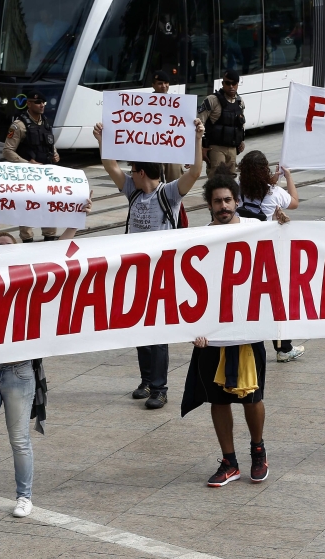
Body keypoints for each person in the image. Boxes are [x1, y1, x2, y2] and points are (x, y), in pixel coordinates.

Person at [0, 215, 87, 525]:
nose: (3, 254)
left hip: (19, 373)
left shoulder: (29, 280)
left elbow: (61, 252)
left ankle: (24, 496)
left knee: (19, 440)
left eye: (9, 249)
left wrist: (77, 218)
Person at [183, 170, 289, 487]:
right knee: (217, 399)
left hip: (247, 331)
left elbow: (284, 251)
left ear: (237, 201)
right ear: (210, 206)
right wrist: (194, 328)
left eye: (228, 199)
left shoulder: (257, 228)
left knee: (252, 397)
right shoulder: (198, 238)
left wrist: (283, 225)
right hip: (212, 335)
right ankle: (229, 462)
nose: (223, 205)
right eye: (217, 201)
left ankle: (259, 451)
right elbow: (188, 286)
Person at [92, 117, 205, 409]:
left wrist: (197, 139)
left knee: (157, 331)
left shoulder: (167, 193)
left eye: (132, 171)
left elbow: (195, 173)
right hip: (134, 271)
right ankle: (146, 381)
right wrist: (103, 141)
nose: (128, 175)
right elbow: (110, 166)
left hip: (161, 273)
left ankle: (160, 388)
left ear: (142, 172)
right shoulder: (134, 191)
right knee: (140, 327)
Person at [237, 150, 307, 362]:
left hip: (243, 251)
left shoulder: (237, 190)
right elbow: (294, 201)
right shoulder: (273, 193)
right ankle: (283, 349)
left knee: (247, 299)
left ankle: (243, 340)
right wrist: (288, 176)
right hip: (267, 254)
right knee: (275, 300)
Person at [2, 91, 60, 243]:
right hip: (28, 177)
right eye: (38, 102)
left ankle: (49, 236)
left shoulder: (46, 122)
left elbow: (50, 144)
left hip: (47, 175)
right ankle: (27, 240)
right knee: (27, 209)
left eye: (43, 102)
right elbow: (8, 151)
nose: (41, 105)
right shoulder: (19, 125)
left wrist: (55, 155)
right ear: (28, 103)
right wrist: (27, 164)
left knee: (49, 207)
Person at [198, 69, 246, 175]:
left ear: (238, 84)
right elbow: (199, 123)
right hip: (215, 147)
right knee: (217, 180)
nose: (231, 86)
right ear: (223, 83)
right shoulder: (212, 100)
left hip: (233, 149)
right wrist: (200, 148)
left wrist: (242, 140)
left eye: (234, 83)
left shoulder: (239, 102)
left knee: (231, 183)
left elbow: (241, 124)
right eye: (227, 83)